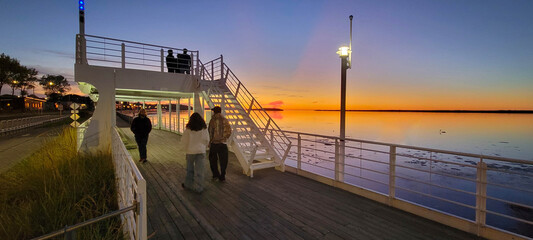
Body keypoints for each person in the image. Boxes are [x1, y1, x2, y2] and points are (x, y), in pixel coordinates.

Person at [181, 112, 210, 193]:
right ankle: (199, 187)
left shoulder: (188, 129)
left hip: (190, 151)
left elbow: (184, 140)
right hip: (201, 151)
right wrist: (204, 147)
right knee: (200, 171)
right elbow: (206, 140)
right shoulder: (204, 129)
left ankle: (188, 185)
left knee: (190, 169)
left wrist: (185, 148)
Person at [208, 106, 232, 182]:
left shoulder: (212, 120)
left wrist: (210, 141)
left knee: (213, 160)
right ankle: (222, 176)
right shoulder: (225, 120)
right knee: (223, 161)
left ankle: (215, 175)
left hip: (214, 144)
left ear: (214, 112)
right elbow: (229, 132)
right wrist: (224, 138)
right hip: (223, 143)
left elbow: (210, 132)